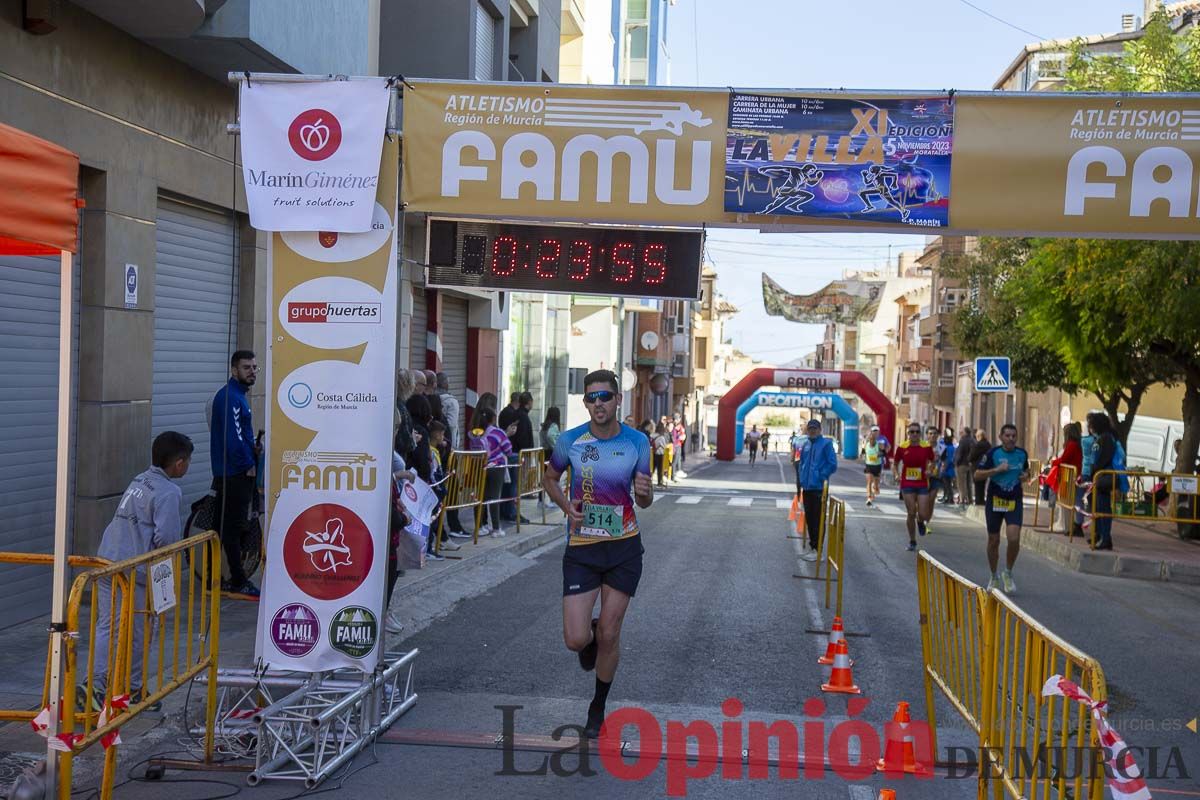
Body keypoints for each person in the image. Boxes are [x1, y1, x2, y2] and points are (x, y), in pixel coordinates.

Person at [541, 370, 653, 738]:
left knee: (610, 632)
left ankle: (598, 706)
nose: (598, 403)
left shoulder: (638, 442)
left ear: (618, 400)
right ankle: (589, 634)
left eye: (605, 396)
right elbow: (550, 478)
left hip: (623, 548)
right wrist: (564, 507)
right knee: (576, 639)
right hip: (583, 549)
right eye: (591, 398)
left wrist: (645, 491)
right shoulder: (570, 441)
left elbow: (644, 501)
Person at [81, 431, 193, 711]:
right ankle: (129, 688)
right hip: (135, 570)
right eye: (188, 461)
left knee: (107, 626)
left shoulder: (140, 479)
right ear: (179, 463)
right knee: (139, 630)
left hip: (108, 560)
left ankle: (96, 684)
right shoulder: (168, 492)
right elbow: (166, 538)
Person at [210, 350, 261, 596]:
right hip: (234, 474)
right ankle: (238, 580)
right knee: (232, 529)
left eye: (254, 367)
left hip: (235, 471)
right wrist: (248, 464)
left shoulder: (238, 396)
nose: (251, 371)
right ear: (233, 370)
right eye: (246, 367)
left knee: (230, 527)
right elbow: (233, 439)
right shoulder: (231, 397)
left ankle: (224, 576)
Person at [976, 424, 1031, 592]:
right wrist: (996, 470)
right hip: (995, 500)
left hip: (1014, 500)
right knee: (994, 540)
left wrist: (1025, 476)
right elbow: (977, 474)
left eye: (1014, 436)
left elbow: (1026, 472)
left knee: (1014, 538)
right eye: (1007, 436)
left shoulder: (1022, 454)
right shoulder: (993, 453)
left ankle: (1007, 572)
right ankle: (994, 576)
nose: (1011, 439)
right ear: (1001, 437)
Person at [796, 419, 838, 561]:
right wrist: (801, 480)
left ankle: (817, 550)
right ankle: (813, 548)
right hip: (807, 487)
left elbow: (832, 464)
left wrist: (821, 476)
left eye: (815, 428)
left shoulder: (826, 444)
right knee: (809, 518)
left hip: (819, 488)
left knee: (818, 519)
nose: (812, 431)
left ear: (820, 430)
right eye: (810, 428)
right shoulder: (806, 444)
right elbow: (802, 463)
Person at [468, 406, 513, 537]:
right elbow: (508, 450)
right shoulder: (498, 433)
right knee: (493, 497)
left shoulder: (475, 433)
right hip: (496, 467)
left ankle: (480, 527)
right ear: (493, 419)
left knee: (479, 497)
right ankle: (496, 528)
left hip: (479, 467)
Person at [893, 423, 936, 551]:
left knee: (923, 514)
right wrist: (896, 474)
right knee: (911, 512)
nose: (915, 434)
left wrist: (930, 470)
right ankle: (912, 541)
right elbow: (895, 464)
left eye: (917, 432)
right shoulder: (902, 447)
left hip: (922, 482)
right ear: (908, 434)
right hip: (907, 483)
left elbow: (933, 461)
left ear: (920, 434)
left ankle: (920, 521)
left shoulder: (926, 447)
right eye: (912, 432)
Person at [1086, 412, 1126, 551]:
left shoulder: (1106, 438)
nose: (1089, 427)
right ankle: (1099, 535)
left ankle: (1105, 538)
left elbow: (1102, 459)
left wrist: (1093, 472)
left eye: (1091, 424)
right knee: (1098, 508)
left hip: (1103, 478)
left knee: (1103, 508)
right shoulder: (1104, 437)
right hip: (1100, 477)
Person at [1045, 422, 1083, 520]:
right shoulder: (1076, 444)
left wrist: (1053, 462)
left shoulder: (1071, 445)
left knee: (1069, 500)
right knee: (1073, 500)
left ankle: (1071, 523)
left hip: (1071, 476)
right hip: (1073, 474)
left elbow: (1064, 459)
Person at [436, 373, 461, 449]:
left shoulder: (431, 399)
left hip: (435, 441)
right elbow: (452, 424)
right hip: (448, 444)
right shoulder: (452, 402)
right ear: (446, 384)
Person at [861, 425, 884, 507]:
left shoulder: (879, 444)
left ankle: (876, 487)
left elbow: (883, 453)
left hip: (877, 466)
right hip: (869, 466)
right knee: (869, 482)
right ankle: (869, 498)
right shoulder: (865, 444)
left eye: (873, 439)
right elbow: (863, 452)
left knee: (876, 486)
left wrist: (879, 454)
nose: (871, 440)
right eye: (870, 439)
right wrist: (863, 456)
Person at [970, 429, 992, 506]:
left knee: (977, 485)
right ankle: (982, 499)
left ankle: (978, 500)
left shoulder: (978, 445)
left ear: (979, 436)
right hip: (985, 467)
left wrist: (969, 459)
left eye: (977, 436)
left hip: (977, 467)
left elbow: (972, 455)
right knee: (982, 484)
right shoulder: (988, 444)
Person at [955, 427, 975, 506]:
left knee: (961, 483)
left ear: (966, 432)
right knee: (969, 483)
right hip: (970, 464)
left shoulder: (963, 441)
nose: (960, 433)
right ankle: (970, 499)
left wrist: (956, 462)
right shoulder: (973, 440)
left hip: (962, 464)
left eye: (962, 431)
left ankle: (962, 499)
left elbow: (960, 452)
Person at [938, 432, 957, 504]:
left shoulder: (947, 448)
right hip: (952, 468)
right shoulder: (953, 448)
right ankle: (948, 498)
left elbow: (947, 459)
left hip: (947, 469)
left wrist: (944, 468)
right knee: (949, 484)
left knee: (947, 485)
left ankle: (949, 498)